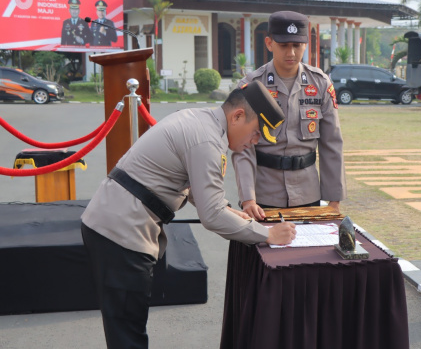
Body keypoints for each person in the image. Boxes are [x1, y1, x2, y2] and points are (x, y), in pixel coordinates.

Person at [80, 81, 297, 349]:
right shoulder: (207, 139)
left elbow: (196, 188)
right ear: (237, 116)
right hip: (120, 231)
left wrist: (229, 210)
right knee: (127, 333)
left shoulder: (204, 122)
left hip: (119, 222)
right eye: (255, 133)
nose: (254, 142)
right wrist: (268, 235)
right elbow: (212, 216)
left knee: (128, 326)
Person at [233, 11, 345, 219]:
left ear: (305, 44)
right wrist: (248, 198)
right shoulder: (252, 87)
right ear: (269, 43)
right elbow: (243, 148)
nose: (291, 52)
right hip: (264, 195)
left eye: (297, 45)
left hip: (307, 193)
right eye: (284, 45)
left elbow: (332, 144)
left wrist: (334, 200)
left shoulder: (320, 84)